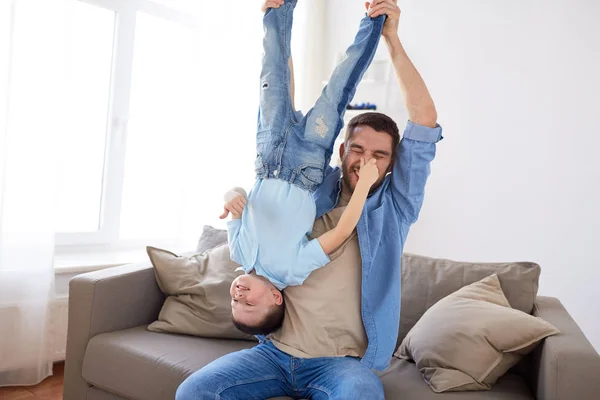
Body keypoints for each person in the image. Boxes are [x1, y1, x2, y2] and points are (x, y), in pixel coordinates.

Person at [176, 0, 443, 398]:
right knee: (194, 392)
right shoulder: (313, 188)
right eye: (357, 149)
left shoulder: (395, 207)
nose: (365, 160)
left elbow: (423, 120)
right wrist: (275, 19)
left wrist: (391, 39)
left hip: (340, 364)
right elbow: (283, 118)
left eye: (380, 154)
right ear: (341, 150)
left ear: (391, 165)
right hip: (273, 353)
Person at [218, 0, 385, 336]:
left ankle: (276, 9)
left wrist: (231, 195)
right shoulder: (293, 270)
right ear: (276, 298)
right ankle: (375, 16)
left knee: (272, 72)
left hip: (267, 155)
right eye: (249, 304)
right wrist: (365, 185)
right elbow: (340, 233)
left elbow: (238, 198)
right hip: (306, 165)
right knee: (339, 85)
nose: (238, 297)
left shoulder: (238, 249)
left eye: (234, 302)